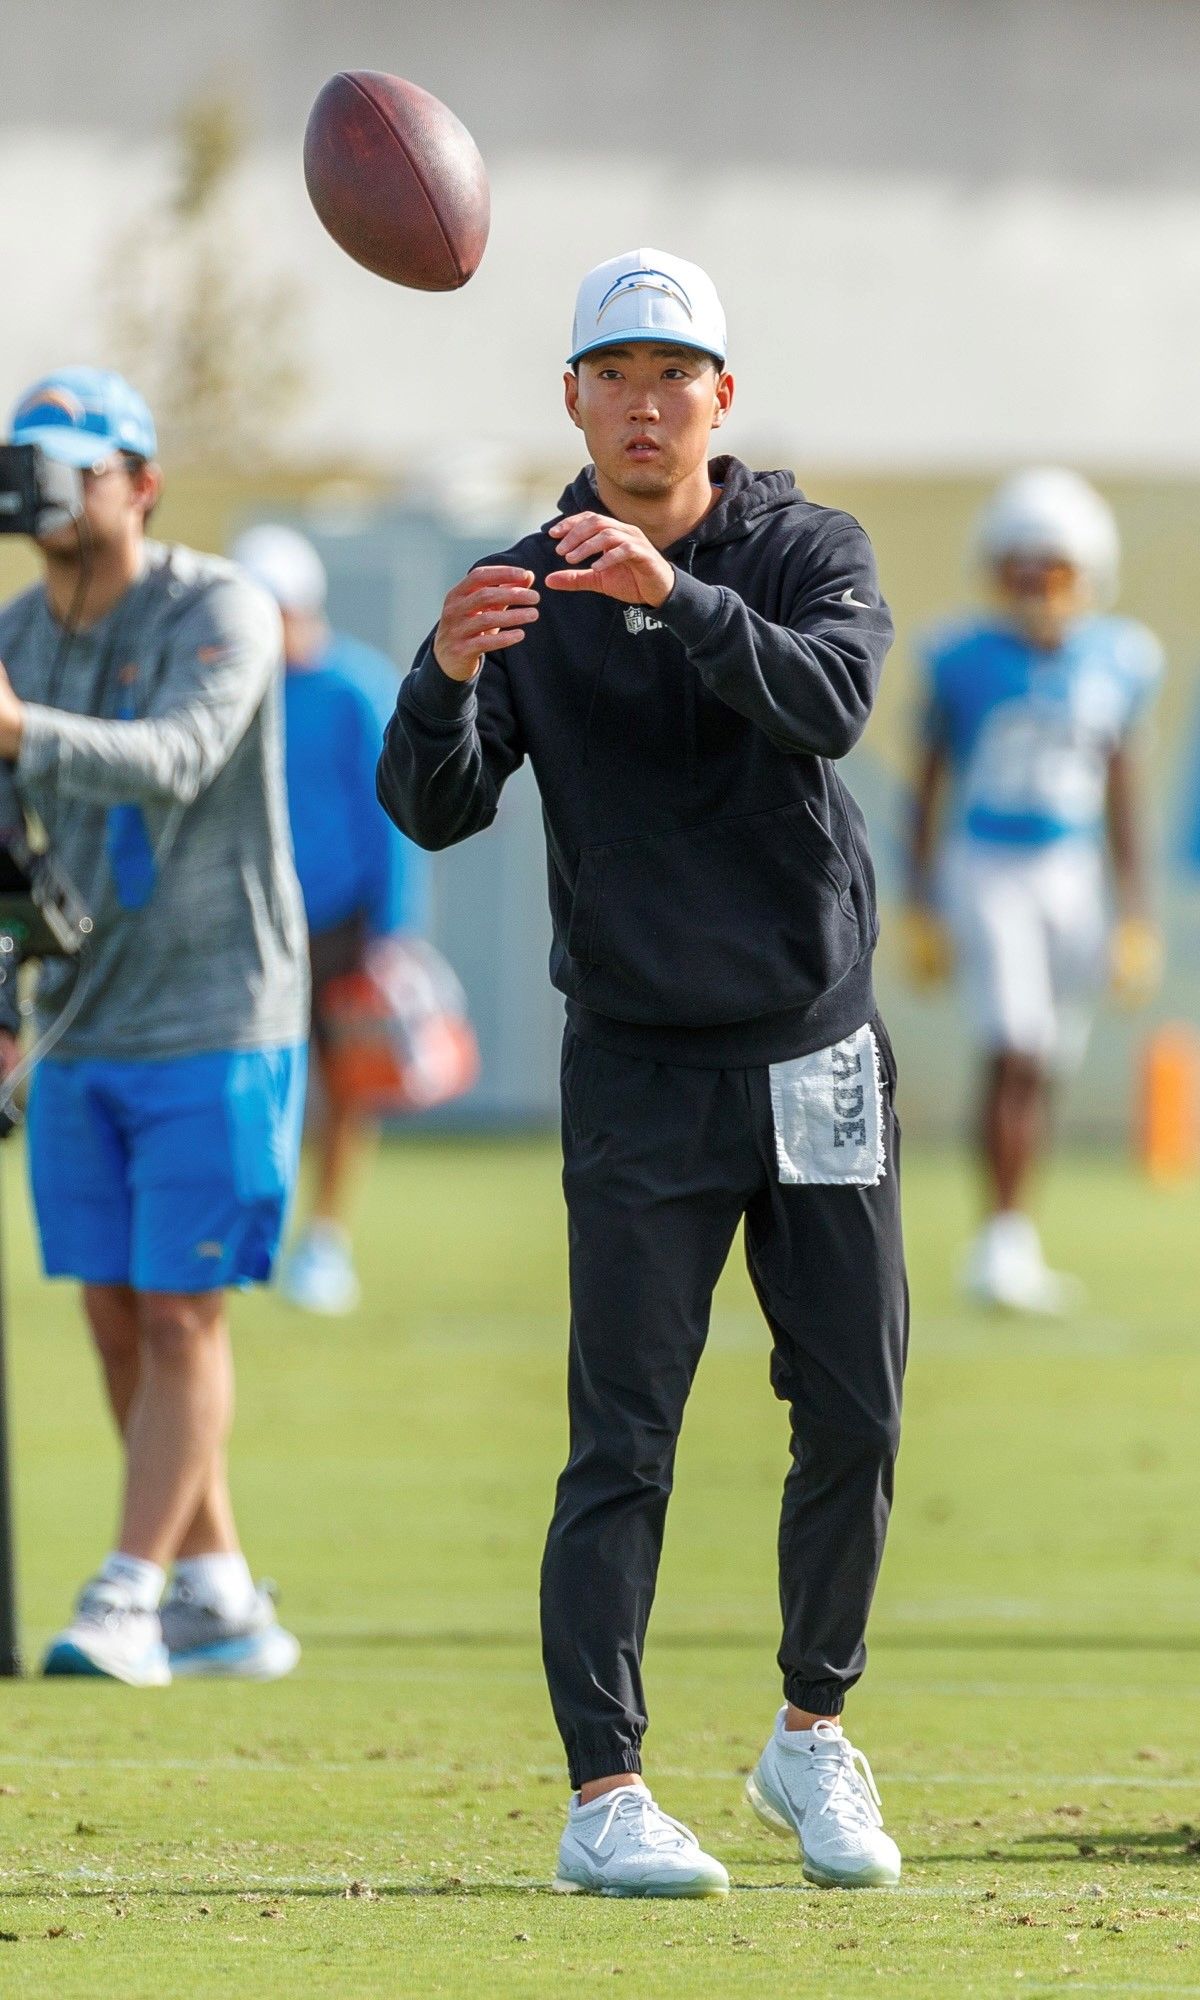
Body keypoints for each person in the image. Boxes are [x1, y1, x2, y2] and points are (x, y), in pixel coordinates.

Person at [378, 250, 906, 1897]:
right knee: (622, 1433)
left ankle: (807, 1736)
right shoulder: (519, 583)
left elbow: (825, 703)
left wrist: (674, 600)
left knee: (856, 1409)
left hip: (815, 1052)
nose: (644, 398)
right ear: (573, 400)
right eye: (613, 371)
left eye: (675, 371)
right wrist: (446, 675)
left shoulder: (804, 550)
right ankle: (604, 1792)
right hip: (636, 1071)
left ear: (720, 402)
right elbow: (434, 806)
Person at [0, 369, 307, 1681]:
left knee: (183, 1316)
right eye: (29, 465)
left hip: (216, 1011)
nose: (47, 489)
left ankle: (127, 1594)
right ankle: (219, 1591)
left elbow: (182, 755)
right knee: (118, 1313)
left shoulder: (216, 604)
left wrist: (22, 730)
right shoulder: (21, 628)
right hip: (76, 1025)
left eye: (74, 464)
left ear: (142, 479)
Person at [903, 469, 1164, 1313]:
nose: (1037, 590)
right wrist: (918, 899)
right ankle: (998, 1241)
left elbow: (1124, 791)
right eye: (1021, 573)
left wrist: (1135, 912)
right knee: (1013, 1045)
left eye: (1052, 572)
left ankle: (1014, 1236)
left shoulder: (1119, 658)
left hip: (1071, 869)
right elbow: (931, 784)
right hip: (989, 862)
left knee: (1048, 1055)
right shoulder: (964, 657)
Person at [230, 523, 427, 1315]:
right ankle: (259, 1234)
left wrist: (394, 928)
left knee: (346, 1089)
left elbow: (393, 812)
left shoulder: (356, 685)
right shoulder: (236, 687)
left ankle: (325, 1243)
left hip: (342, 922)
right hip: (248, 921)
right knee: (253, 1084)